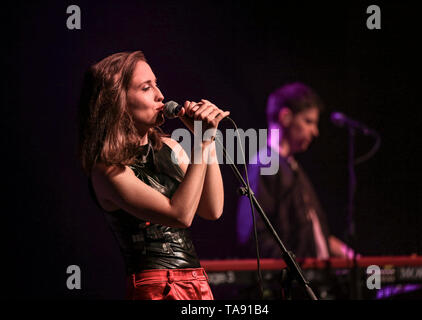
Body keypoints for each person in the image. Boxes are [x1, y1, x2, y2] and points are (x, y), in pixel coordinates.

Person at [77, 51, 230, 300]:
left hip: (196, 282)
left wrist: (207, 138)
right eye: (146, 88)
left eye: (156, 84)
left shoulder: (170, 148)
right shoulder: (107, 169)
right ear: (118, 101)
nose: (160, 95)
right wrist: (202, 142)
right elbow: (179, 214)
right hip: (156, 289)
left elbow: (212, 209)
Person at [236, 82, 354, 260]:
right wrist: (292, 269)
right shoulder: (266, 164)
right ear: (285, 117)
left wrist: (353, 258)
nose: (315, 131)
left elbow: (313, 234)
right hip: (291, 283)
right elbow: (252, 231)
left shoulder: (292, 167)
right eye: (308, 121)